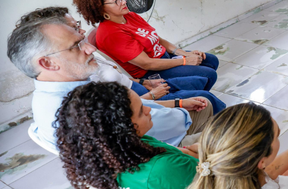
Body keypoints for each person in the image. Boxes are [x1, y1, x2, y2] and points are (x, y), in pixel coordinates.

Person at [6, 16, 213, 154]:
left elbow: (138, 110)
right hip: (166, 149)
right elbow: (155, 127)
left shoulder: (54, 93)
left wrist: (176, 102)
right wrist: (180, 111)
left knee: (203, 95)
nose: (90, 48)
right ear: (47, 63)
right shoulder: (86, 109)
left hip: (157, 136)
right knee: (223, 122)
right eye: (76, 46)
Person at [19, 6, 226, 113]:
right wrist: (166, 96)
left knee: (206, 70)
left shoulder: (85, 51)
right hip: (142, 96)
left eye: (78, 25)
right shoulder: (76, 75)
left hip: (141, 87)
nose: (82, 34)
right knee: (205, 95)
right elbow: (145, 66)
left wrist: (179, 52)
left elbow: (120, 74)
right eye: (74, 29)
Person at [56, 82, 200, 189]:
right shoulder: (164, 169)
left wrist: (192, 150)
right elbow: (216, 184)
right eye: (140, 111)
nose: (149, 110)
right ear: (122, 128)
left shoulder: (109, 153)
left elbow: (176, 153)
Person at [72, 0, 220, 90]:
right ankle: (199, 101)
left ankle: (197, 93)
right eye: (116, 1)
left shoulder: (130, 16)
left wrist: (183, 53)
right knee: (208, 74)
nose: (124, 2)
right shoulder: (111, 33)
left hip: (163, 58)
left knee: (211, 60)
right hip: (150, 71)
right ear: (100, 8)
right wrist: (184, 61)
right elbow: (147, 63)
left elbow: (158, 39)